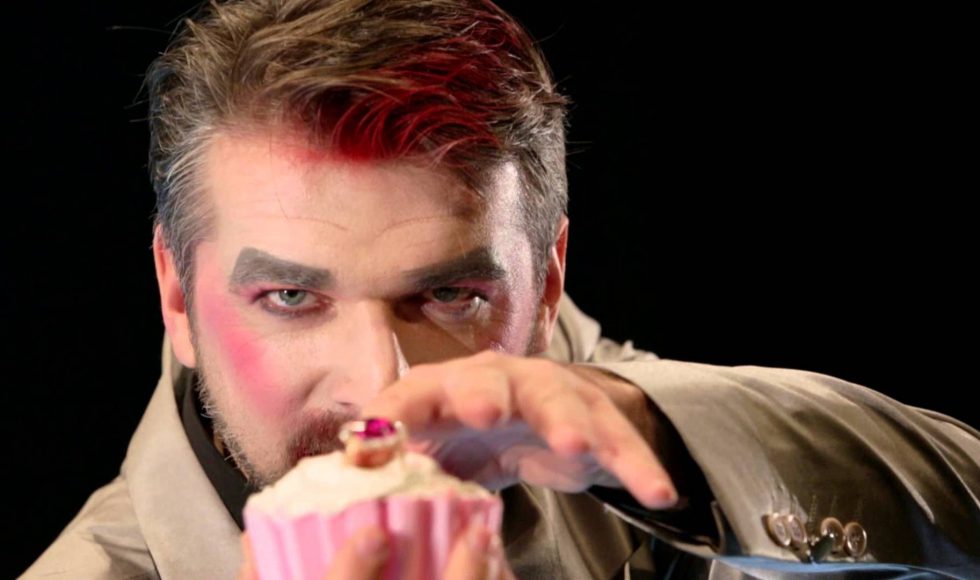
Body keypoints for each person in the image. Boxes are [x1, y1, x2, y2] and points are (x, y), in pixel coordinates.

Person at [24, 0, 979, 577]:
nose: (379, 388)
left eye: (448, 297)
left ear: (548, 281)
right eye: (291, 299)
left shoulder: (582, 398)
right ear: (177, 296)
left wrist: (649, 434)